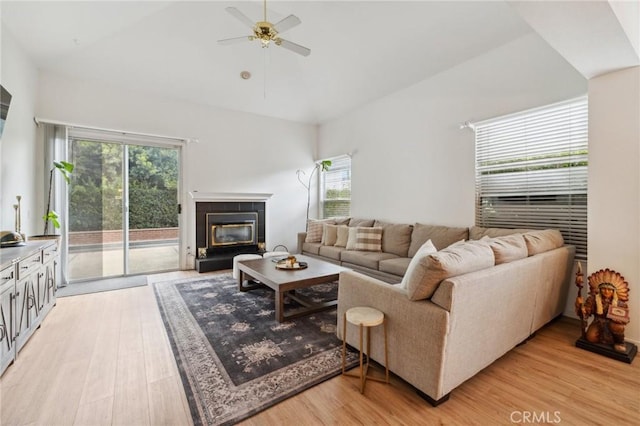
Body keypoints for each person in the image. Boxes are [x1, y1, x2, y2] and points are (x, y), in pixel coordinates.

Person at [576, 272, 629, 353]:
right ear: (600, 289)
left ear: (614, 291)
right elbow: (587, 310)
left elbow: (626, 318)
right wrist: (581, 307)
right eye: (604, 289)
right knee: (590, 337)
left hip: (612, 323)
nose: (606, 291)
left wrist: (620, 320)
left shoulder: (619, 303)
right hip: (598, 322)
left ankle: (619, 342)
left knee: (618, 327)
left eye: (609, 289)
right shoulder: (593, 299)